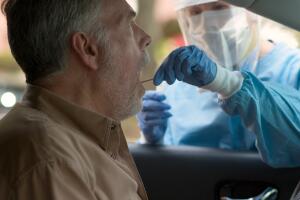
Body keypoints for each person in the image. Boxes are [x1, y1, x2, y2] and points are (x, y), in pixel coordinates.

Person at [0, 0, 151, 199]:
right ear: (87, 49)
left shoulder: (66, 141)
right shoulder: (51, 161)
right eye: (128, 26)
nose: (146, 38)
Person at [137, 0, 300, 167]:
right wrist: (153, 141)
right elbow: (172, 173)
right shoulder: (177, 84)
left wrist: (226, 83)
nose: (208, 23)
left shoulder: (292, 69)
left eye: (219, 7)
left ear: (250, 11)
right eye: (195, 12)